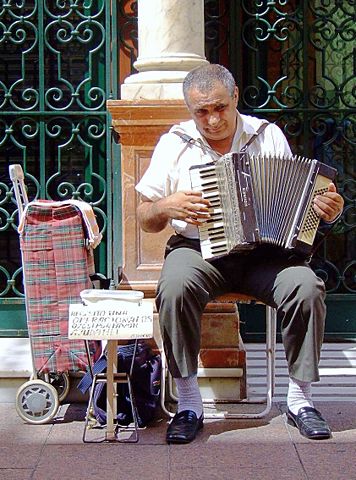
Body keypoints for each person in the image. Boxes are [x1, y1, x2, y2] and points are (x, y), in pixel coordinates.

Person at [135, 64, 344, 444]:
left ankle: (300, 400)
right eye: (201, 112)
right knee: (174, 286)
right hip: (198, 251)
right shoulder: (175, 142)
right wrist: (167, 206)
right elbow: (145, 217)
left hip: (266, 255)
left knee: (307, 286)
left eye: (219, 107)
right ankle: (188, 403)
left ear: (234, 98)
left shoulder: (268, 136)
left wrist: (326, 207)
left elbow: (300, 203)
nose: (212, 120)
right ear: (189, 109)